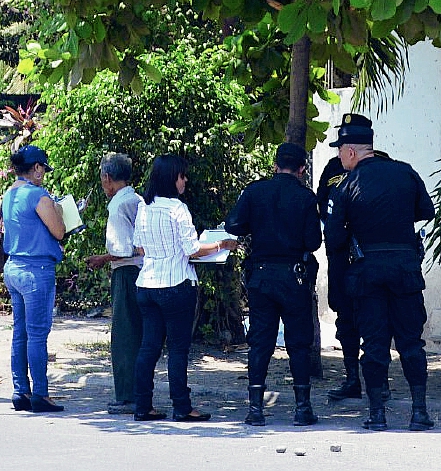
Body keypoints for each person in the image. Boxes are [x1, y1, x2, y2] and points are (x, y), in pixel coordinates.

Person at [324, 115, 436, 431]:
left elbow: (332, 238)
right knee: (412, 343)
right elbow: (426, 211)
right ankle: (419, 412)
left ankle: (377, 415)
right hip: (405, 269)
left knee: (374, 344)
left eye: (339, 151)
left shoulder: (346, 187)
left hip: (367, 273)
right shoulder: (405, 173)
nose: (338, 157)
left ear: (350, 152)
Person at [132, 154, 237, 422]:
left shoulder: (144, 207)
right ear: (171, 178)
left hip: (146, 283)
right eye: (182, 176)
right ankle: (182, 406)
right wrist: (220, 245)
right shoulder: (177, 209)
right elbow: (192, 250)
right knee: (178, 349)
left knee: (148, 347)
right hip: (176, 284)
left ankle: (143, 405)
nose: (185, 180)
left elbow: (139, 247)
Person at [226, 142, 322, 427]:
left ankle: (256, 409)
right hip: (294, 276)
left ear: (275, 165)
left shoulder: (256, 191)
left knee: (260, 342)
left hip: (262, 275)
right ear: (302, 169)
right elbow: (314, 242)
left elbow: (234, 224)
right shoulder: (306, 197)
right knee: (298, 343)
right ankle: (302, 408)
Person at [315, 115, 392, 403]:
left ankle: (379, 381)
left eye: (342, 145)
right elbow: (322, 203)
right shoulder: (333, 168)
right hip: (341, 256)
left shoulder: (383, 164)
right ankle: (351, 378)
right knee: (345, 318)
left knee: (376, 320)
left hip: (371, 255)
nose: (338, 152)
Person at [2, 144, 66, 413]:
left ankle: (20, 391)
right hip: (36, 270)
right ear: (37, 168)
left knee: (20, 333)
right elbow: (60, 232)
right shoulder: (38, 195)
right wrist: (61, 211)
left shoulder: (9, 194)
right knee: (38, 334)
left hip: (13, 266)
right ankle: (40, 392)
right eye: (43, 168)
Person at [86, 153, 144, 415]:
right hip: (142, 272)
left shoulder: (118, 205)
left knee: (124, 335)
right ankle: (138, 392)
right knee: (137, 332)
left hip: (126, 272)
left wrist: (101, 258)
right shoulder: (137, 199)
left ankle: (128, 395)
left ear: (107, 178)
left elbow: (123, 249)